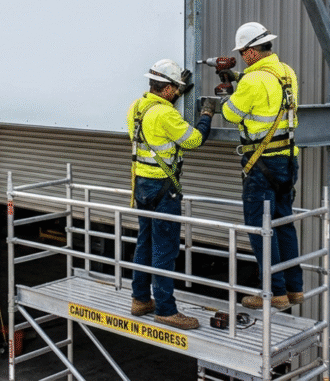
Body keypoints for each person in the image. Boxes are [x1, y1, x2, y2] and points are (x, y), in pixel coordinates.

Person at [127, 59, 216, 330]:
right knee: (164, 249)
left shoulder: (138, 107)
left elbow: (157, 129)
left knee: (145, 243)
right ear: (167, 89)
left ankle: (140, 299)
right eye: (175, 88)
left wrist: (179, 92)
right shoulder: (166, 115)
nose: (177, 92)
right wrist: (206, 115)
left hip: (142, 185)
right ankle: (166, 309)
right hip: (164, 190)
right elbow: (193, 140)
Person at [222, 22, 303, 310]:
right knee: (283, 223)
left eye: (244, 52)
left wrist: (229, 91)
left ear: (253, 51)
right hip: (288, 160)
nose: (243, 57)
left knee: (260, 228)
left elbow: (231, 114)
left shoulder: (252, 81)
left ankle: (272, 293)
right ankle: (294, 289)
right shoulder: (286, 72)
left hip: (261, 163)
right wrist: (237, 77)